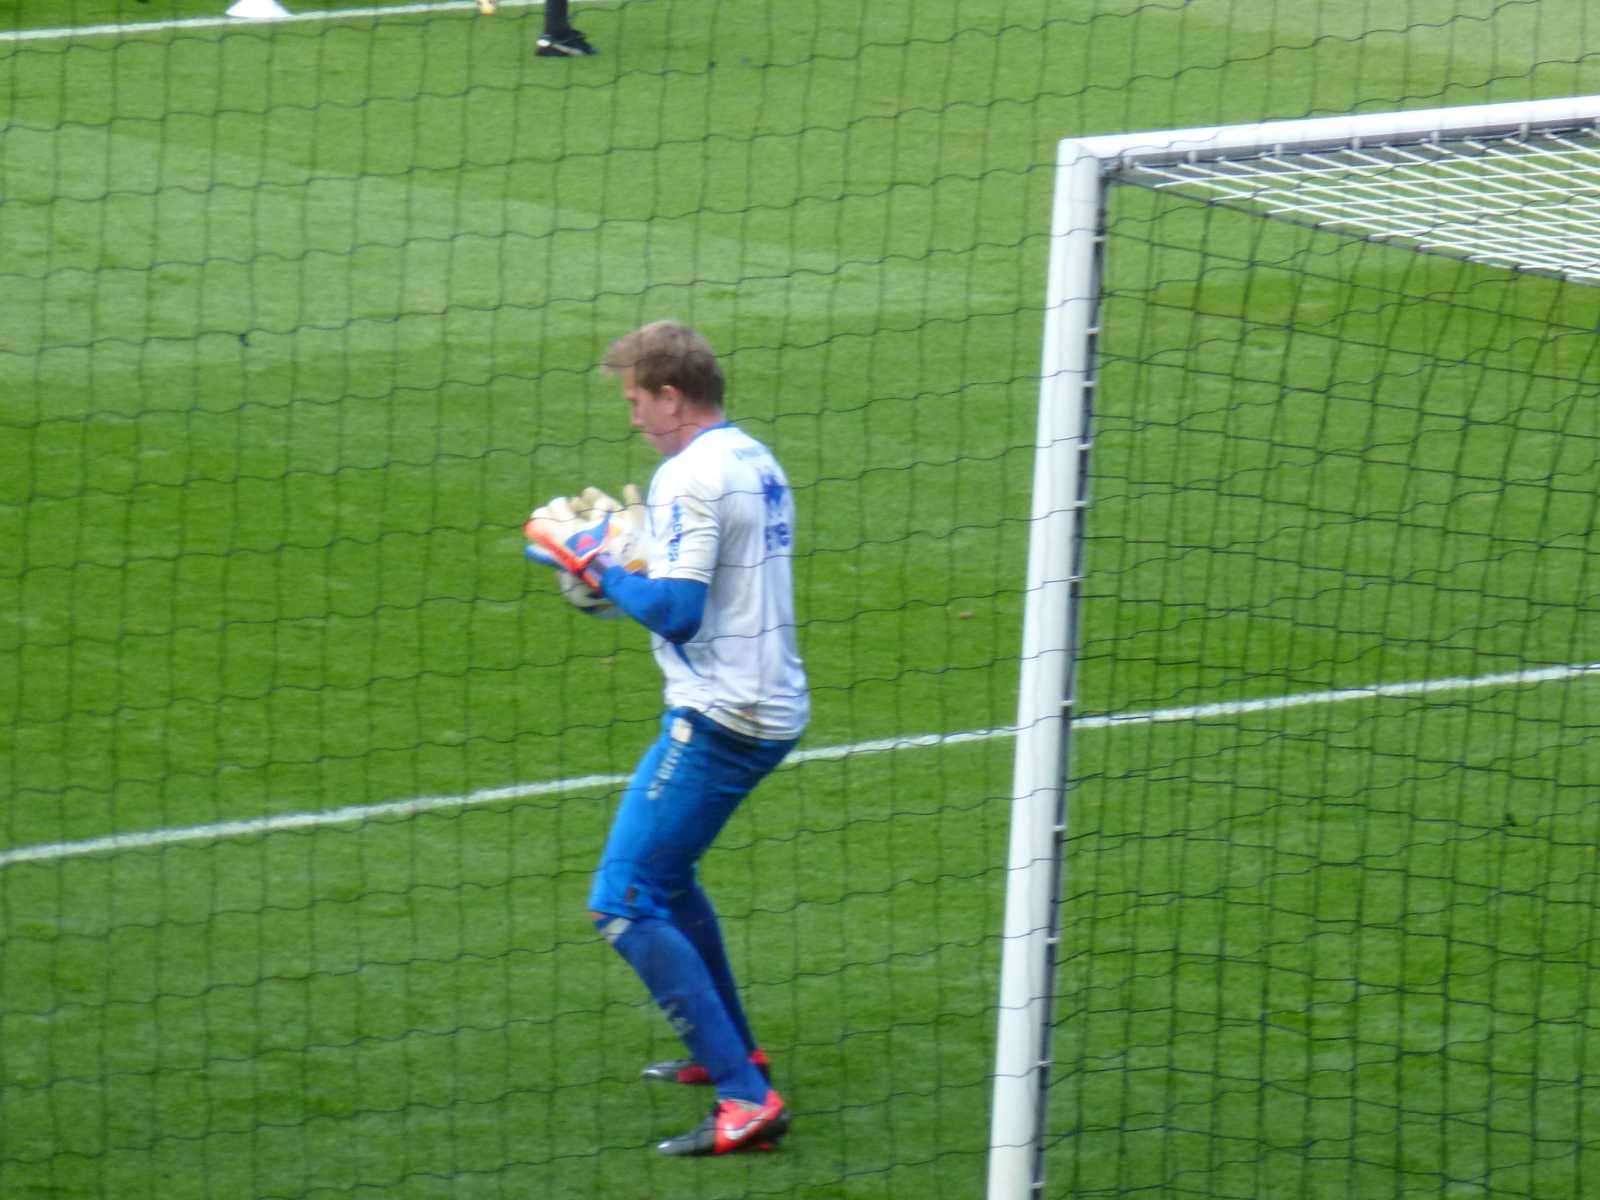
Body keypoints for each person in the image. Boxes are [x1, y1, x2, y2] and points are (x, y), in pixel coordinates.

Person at [523, 321, 809, 1156]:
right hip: (759, 698)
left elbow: (679, 613)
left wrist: (595, 567)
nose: (634, 420)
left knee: (621, 901)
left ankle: (745, 1098)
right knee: (669, 879)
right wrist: (625, 573)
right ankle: (730, 1051)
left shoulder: (688, 475)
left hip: (725, 716)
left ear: (671, 396)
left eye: (636, 403)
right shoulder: (753, 456)